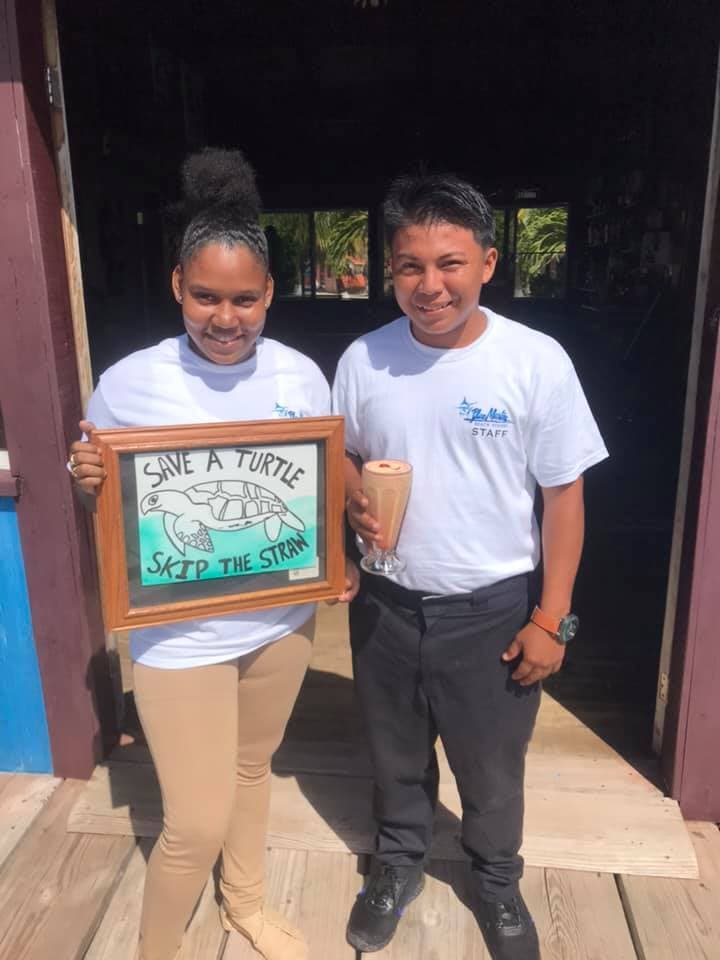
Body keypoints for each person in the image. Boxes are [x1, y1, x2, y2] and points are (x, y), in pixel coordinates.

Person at [69, 148, 358, 960]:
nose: (223, 317)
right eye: (204, 296)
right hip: (177, 636)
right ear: (177, 287)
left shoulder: (302, 376)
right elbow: (113, 500)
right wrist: (86, 475)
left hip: (280, 620)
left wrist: (337, 557)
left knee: (251, 767)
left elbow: (314, 484)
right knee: (192, 822)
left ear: (269, 294)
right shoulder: (127, 383)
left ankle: (248, 905)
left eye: (242, 299)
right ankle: (157, 949)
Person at [332, 174, 608, 959]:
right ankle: (398, 865)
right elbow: (341, 454)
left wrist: (551, 618)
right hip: (386, 603)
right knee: (394, 757)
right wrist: (352, 498)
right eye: (411, 266)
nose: (430, 285)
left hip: (491, 608)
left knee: (491, 770)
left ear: (488, 263)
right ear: (392, 270)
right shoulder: (364, 358)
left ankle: (496, 882)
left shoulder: (533, 361)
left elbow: (564, 497)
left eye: (449, 263)